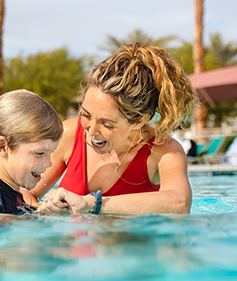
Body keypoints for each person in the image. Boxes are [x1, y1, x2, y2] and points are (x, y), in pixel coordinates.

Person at [34, 42, 197, 215]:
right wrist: (45, 214)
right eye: (86, 114)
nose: (91, 130)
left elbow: (179, 203)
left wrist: (91, 203)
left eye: (107, 124)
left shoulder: (164, 151)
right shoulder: (70, 134)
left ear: (139, 121)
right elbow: (25, 192)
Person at [0, 89, 63, 214]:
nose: (49, 163)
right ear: (3, 147)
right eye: (40, 153)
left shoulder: (11, 193)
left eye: (51, 153)